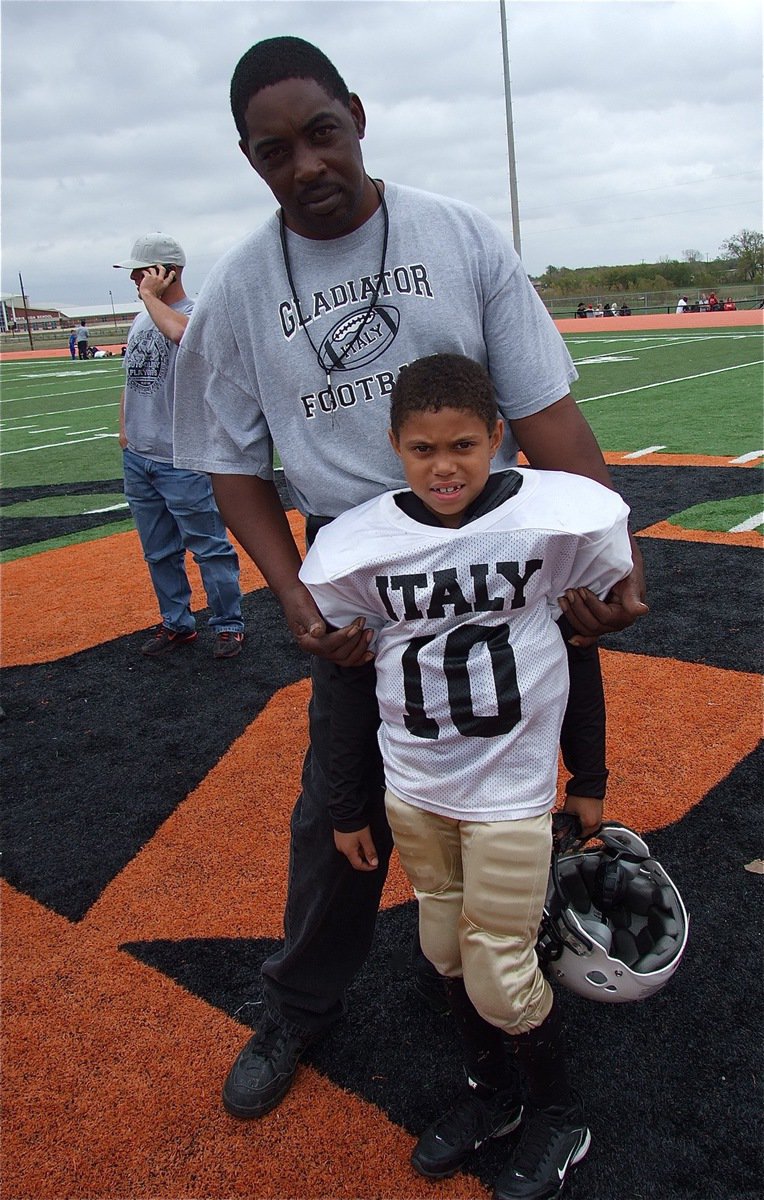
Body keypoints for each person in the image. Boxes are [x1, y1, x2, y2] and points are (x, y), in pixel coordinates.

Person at [172, 35, 647, 1123]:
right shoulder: (243, 286)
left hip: (501, 539)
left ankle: (510, 976)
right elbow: (231, 465)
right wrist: (296, 596)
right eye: (273, 151)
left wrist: (616, 563)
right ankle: (302, 1002)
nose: (304, 166)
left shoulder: (455, 234)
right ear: (249, 160)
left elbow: (548, 420)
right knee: (339, 802)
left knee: (525, 764)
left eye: (320, 133)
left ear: (358, 115)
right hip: (358, 560)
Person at [300, 352, 632, 1199]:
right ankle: (496, 1096)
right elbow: (346, 685)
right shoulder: (357, 546)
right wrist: (348, 802)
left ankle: (561, 1115)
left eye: (462, 446)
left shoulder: (548, 522)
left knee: (498, 964)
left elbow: (580, 655)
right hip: (415, 786)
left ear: (498, 438)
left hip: (510, 791)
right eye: (421, 450)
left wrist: (586, 775)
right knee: (442, 946)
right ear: (394, 448)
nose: (443, 466)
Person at [114, 232, 245, 659]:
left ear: (166, 271)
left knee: (209, 547)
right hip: (140, 457)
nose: (134, 278)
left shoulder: (197, 313)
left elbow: (181, 335)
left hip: (182, 457)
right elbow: (131, 380)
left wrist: (152, 297)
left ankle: (228, 624)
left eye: (141, 270)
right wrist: (125, 430)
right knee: (158, 553)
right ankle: (177, 623)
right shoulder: (140, 318)